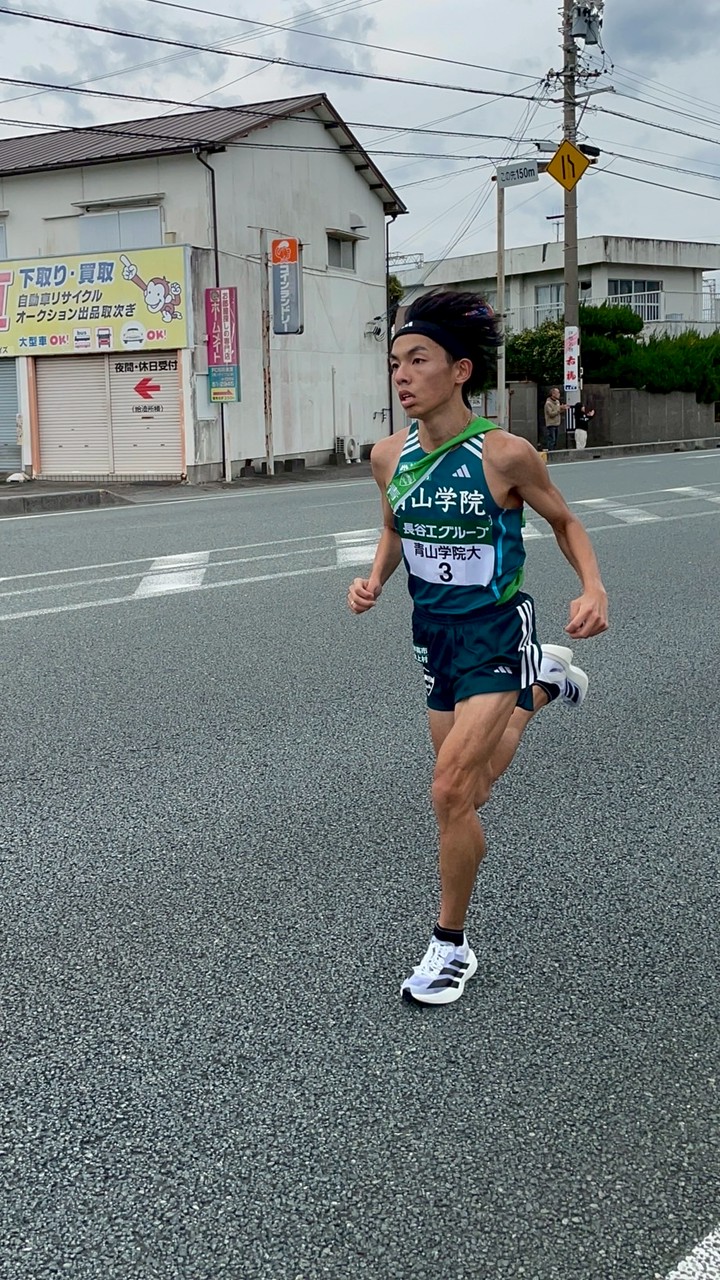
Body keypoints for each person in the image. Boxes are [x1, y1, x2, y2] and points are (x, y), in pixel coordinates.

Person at [348, 290, 608, 1006]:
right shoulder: (385, 457)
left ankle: (450, 947)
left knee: (449, 791)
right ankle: (546, 683)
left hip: (495, 630)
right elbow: (397, 530)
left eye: (418, 360)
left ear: (459, 370)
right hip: (433, 635)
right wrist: (373, 578)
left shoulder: (504, 454)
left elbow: (565, 521)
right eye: (395, 362)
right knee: (478, 784)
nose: (402, 375)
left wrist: (592, 587)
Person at [543, 386, 564, 450]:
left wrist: (563, 409)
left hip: (557, 423)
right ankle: (550, 454)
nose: (559, 394)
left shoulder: (557, 402)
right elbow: (551, 414)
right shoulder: (548, 403)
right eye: (558, 393)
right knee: (552, 440)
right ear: (553, 394)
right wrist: (559, 409)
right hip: (551, 424)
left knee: (556, 440)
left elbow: (558, 411)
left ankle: (554, 453)